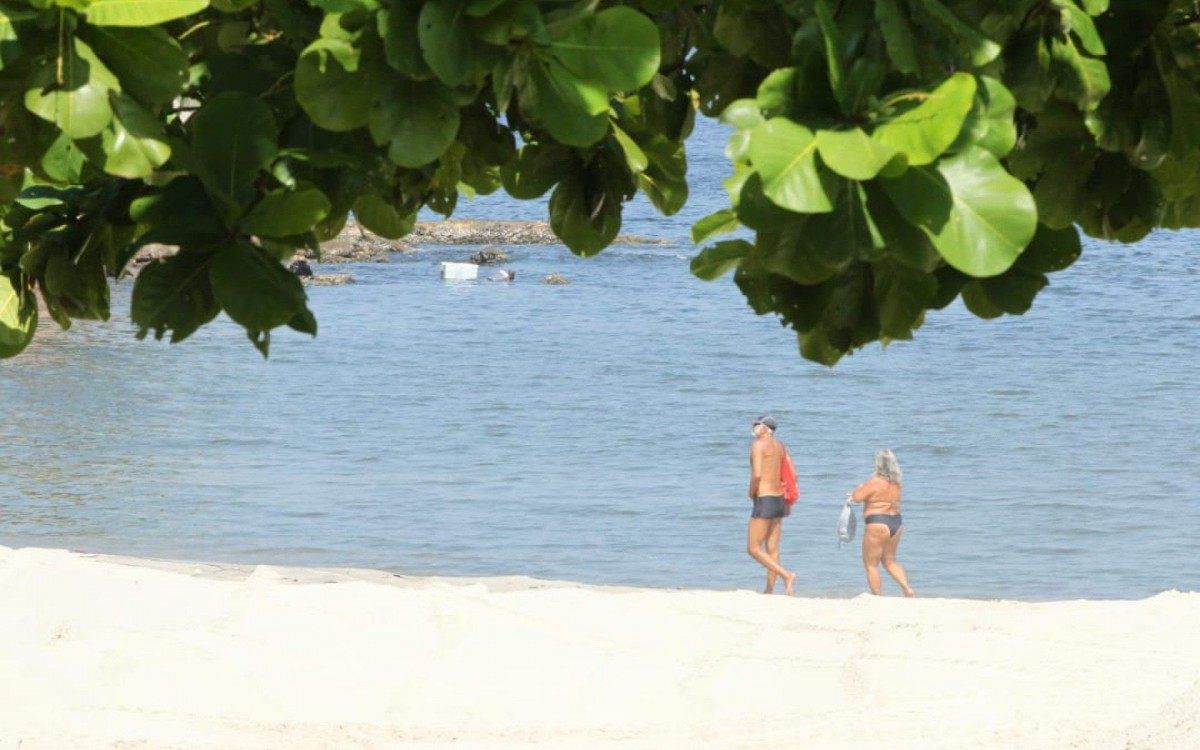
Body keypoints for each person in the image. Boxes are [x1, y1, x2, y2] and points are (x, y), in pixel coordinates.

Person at [848, 449, 915, 597]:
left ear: (878, 464)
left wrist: (858, 488)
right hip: (896, 522)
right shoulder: (897, 483)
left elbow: (857, 498)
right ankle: (907, 588)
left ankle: (878, 597)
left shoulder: (874, 481)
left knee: (871, 564)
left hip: (878, 522)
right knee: (890, 561)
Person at [747, 416, 796, 595]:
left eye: (757, 424)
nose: (753, 427)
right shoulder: (780, 446)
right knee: (773, 549)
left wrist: (751, 491)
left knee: (753, 548)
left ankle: (787, 575)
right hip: (778, 499)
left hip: (764, 497)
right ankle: (769, 590)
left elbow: (757, 475)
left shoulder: (757, 445)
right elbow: (794, 474)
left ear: (767, 429)